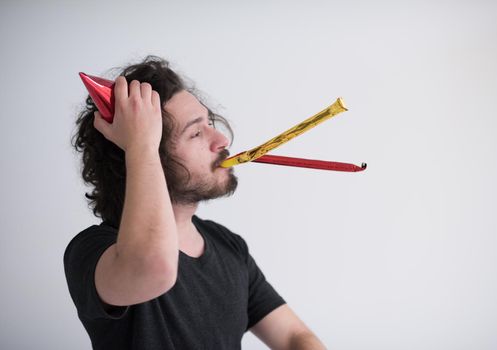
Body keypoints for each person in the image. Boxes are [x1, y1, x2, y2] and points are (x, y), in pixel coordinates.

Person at [64, 56, 327, 349]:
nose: (221, 139)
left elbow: (294, 337)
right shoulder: (92, 251)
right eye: (196, 132)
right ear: (145, 154)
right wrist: (140, 144)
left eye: (210, 122)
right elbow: (155, 268)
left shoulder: (228, 245)